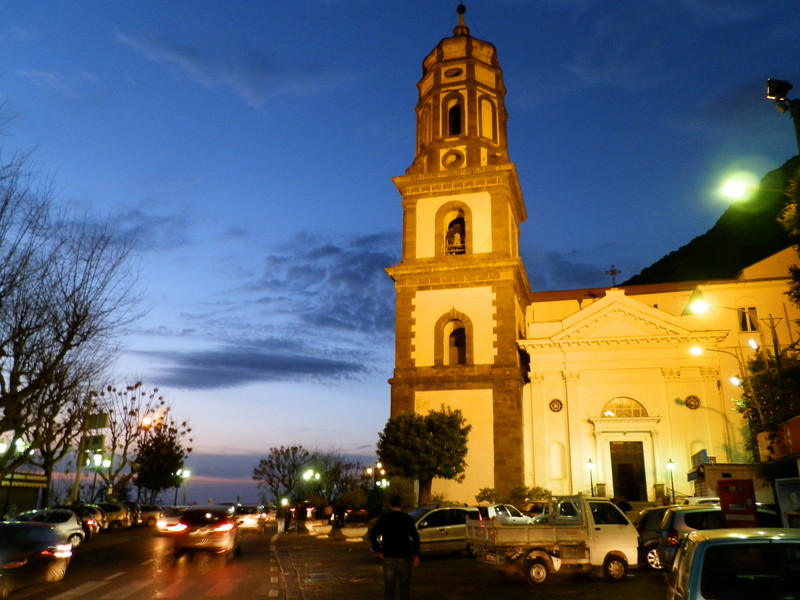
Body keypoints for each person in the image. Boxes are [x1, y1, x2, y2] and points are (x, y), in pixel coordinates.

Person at [370, 495, 420, 600]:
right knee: (404, 588)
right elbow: (415, 536)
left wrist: (378, 549)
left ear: (389, 505)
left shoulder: (384, 518)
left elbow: (374, 533)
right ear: (401, 504)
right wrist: (416, 554)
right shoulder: (407, 518)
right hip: (404, 556)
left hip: (389, 556)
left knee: (389, 588)